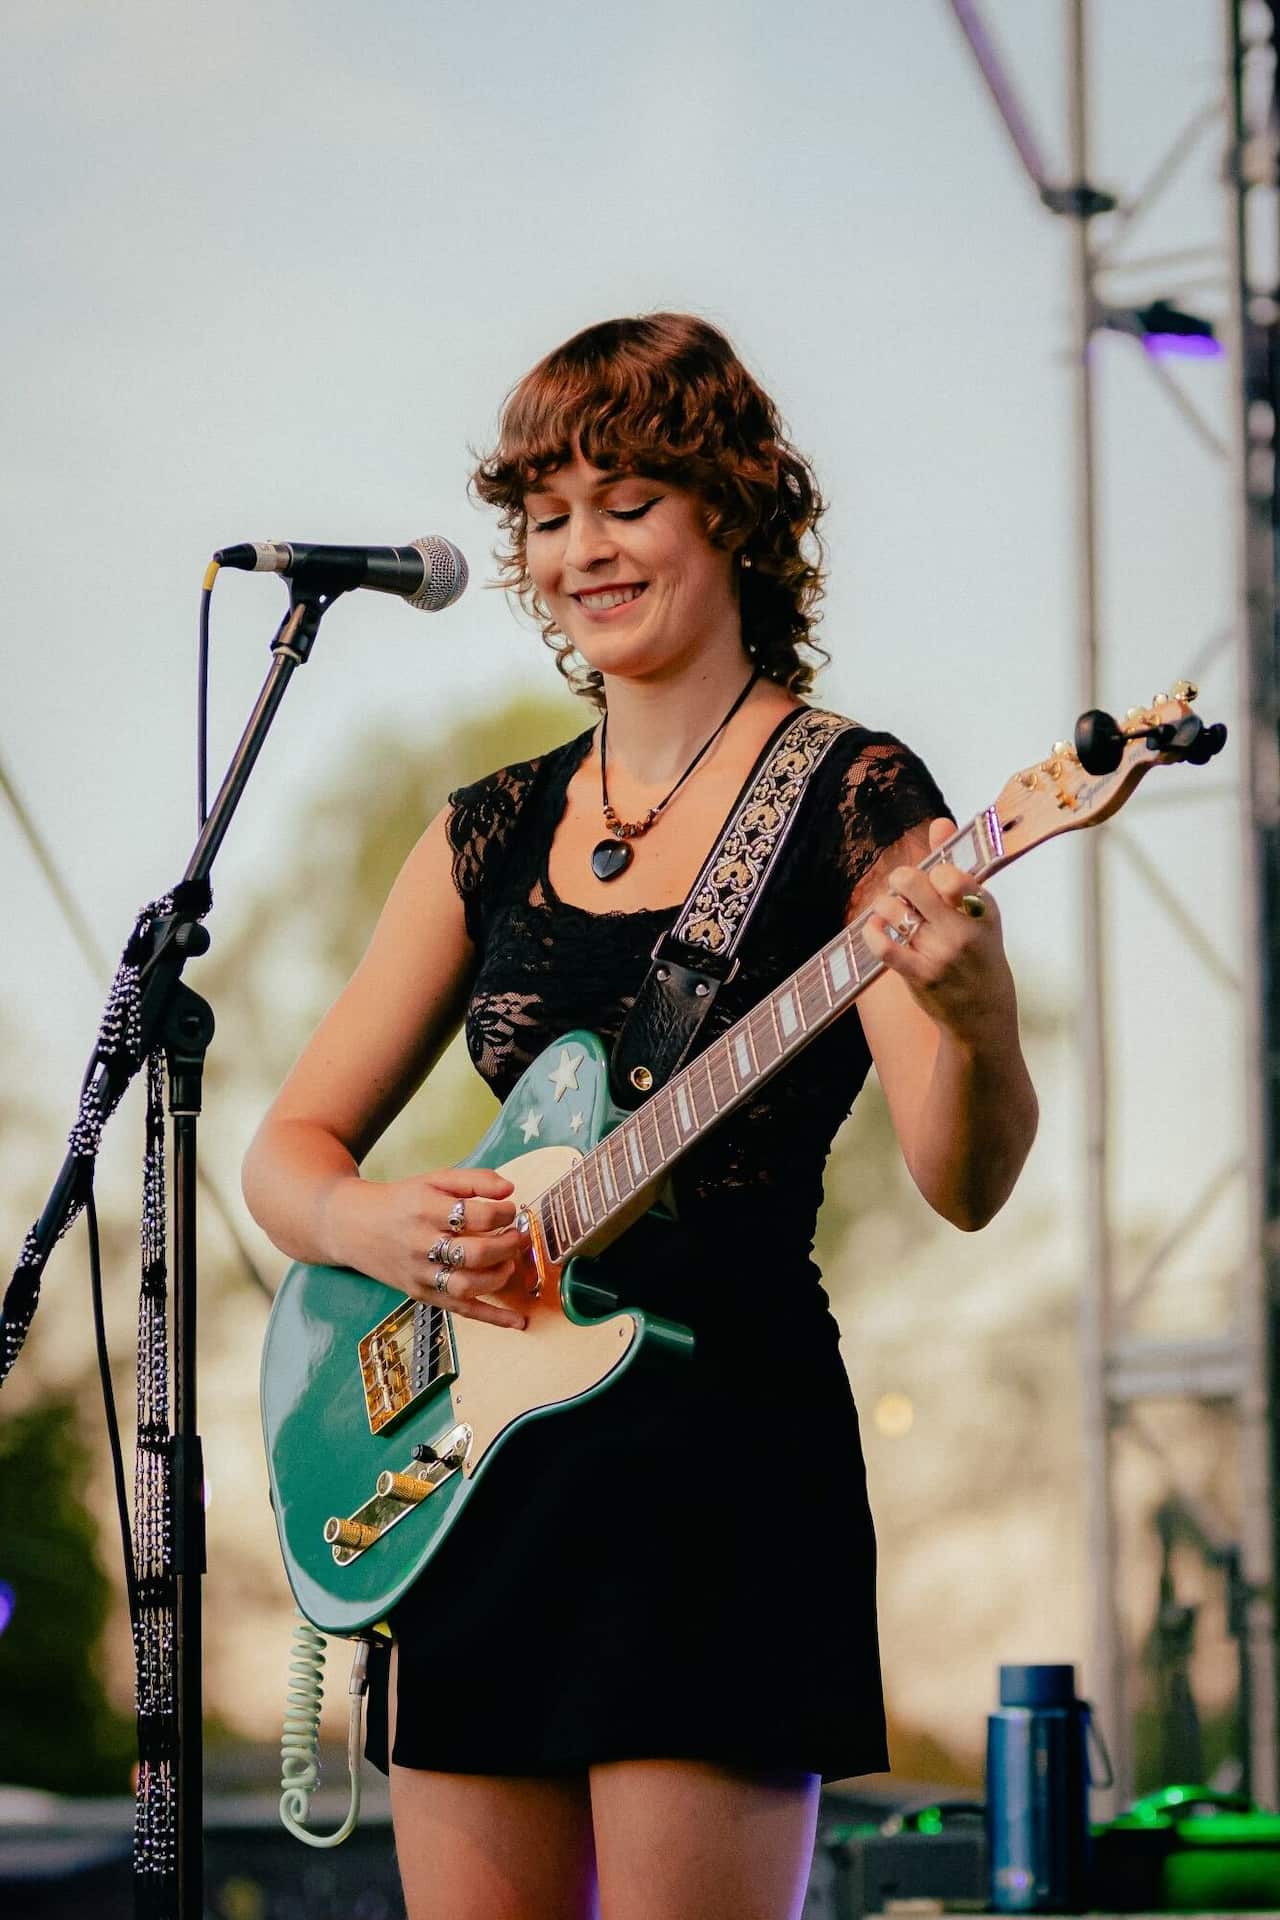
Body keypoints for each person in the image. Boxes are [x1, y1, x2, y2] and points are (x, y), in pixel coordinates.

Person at [242, 312, 1038, 1920]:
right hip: (473, 1465)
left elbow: (964, 1180)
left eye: (627, 500)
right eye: (546, 516)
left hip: (719, 1459)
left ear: (732, 508)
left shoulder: (858, 797)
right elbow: (285, 1154)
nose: (579, 549)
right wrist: (366, 1221)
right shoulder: (490, 827)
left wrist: (975, 1010)